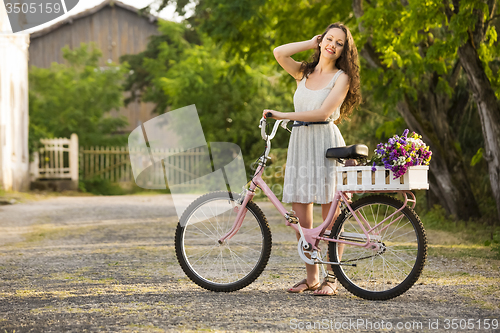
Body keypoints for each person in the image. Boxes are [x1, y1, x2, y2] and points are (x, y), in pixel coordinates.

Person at [263, 22, 361, 296]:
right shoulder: (303, 72)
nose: (332, 45)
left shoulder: (342, 77)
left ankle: (332, 278)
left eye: (339, 43)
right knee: (301, 222)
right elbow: (279, 52)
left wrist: (283, 115)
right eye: (329, 39)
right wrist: (310, 41)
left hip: (326, 144)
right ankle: (312, 278)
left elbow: (321, 113)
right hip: (301, 144)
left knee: (331, 220)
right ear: (323, 40)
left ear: (344, 50)